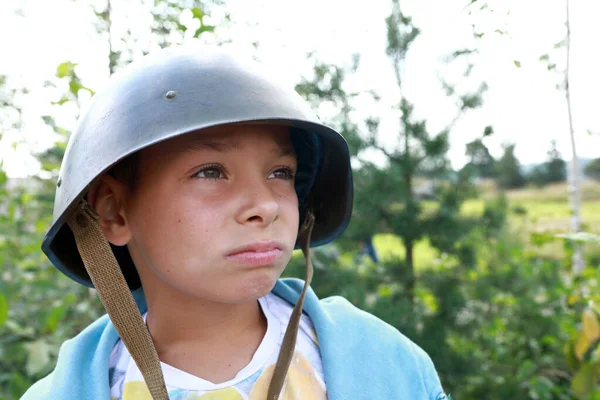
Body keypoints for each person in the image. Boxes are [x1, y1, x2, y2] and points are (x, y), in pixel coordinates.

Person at [22, 45, 447, 400]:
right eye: (210, 171)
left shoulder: (386, 364)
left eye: (280, 173)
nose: (266, 205)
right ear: (114, 212)